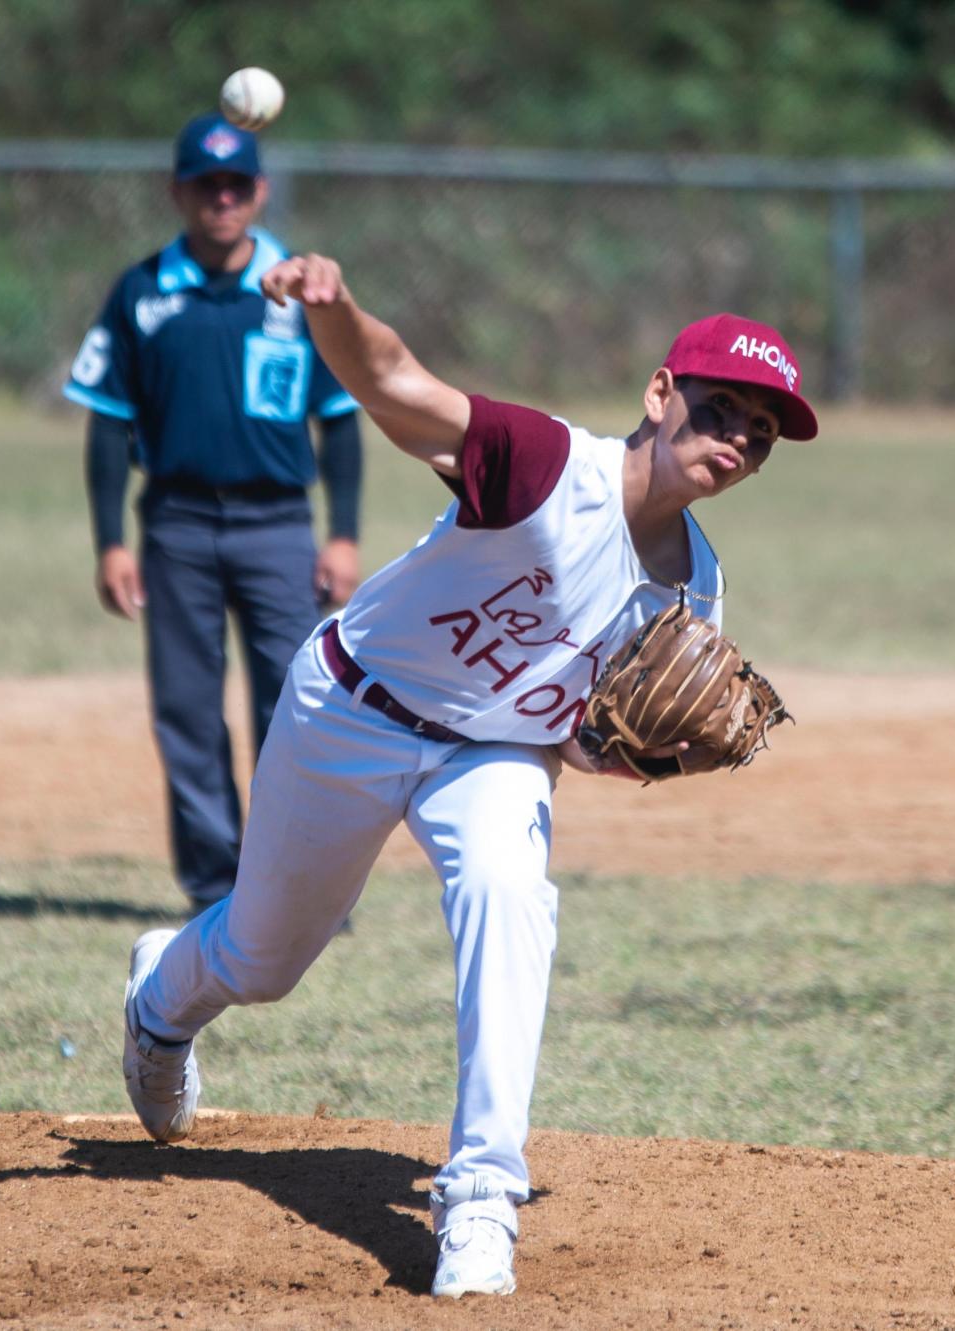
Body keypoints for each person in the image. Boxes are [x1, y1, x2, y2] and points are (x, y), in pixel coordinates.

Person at [117, 250, 820, 1299]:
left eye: (759, 436)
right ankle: (159, 1003)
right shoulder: (544, 466)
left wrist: (628, 757)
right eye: (723, 410)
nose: (737, 442)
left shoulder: (697, 586)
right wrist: (334, 309)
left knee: (509, 890)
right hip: (350, 706)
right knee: (262, 959)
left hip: (490, 753)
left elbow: (586, 735)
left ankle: (481, 1197)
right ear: (660, 394)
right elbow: (398, 385)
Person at [65, 113, 364, 913]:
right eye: (206, 185)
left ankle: (302, 888)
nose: (222, 199)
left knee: (296, 710)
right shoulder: (142, 291)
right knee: (187, 710)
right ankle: (216, 889)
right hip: (177, 525)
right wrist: (109, 542)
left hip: (278, 526)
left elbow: (338, 417)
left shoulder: (302, 289)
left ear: (260, 191)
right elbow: (106, 420)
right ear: (179, 191)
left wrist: (342, 532)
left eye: (237, 185)